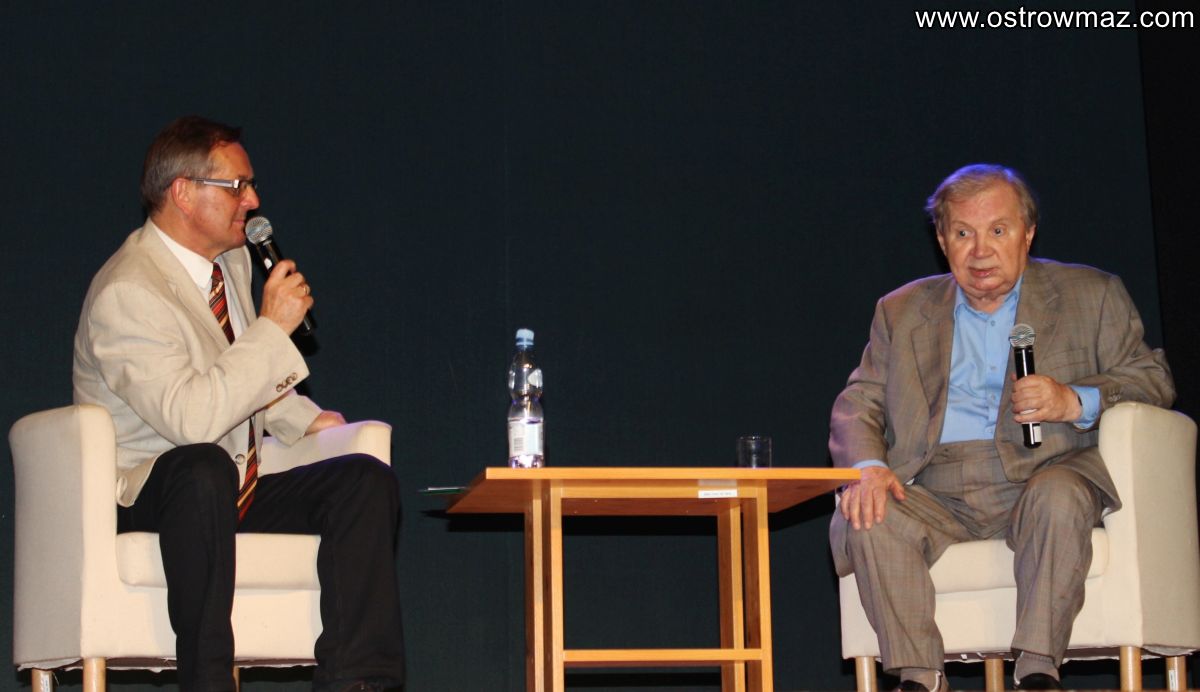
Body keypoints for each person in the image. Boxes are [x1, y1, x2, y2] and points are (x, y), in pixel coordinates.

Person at [73, 116, 405, 692]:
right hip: (151, 494)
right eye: (237, 186)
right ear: (183, 192)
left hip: (229, 488)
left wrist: (310, 421)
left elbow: (242, 375)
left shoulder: (229, 264)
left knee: (363, 480)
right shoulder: (128, 291)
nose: (252, 200)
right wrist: (273, 329)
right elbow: (192, 419)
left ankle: (358, 681)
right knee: (201, 466)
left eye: (250, 186)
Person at [828, 164, 1174, 691]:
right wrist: (870, 467)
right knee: (867, 516)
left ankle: (1037, 669)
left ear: (1027, 233)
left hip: (1045, 469)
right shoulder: (901, 311)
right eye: (963, 233)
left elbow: (1153, 380)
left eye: (997, 230)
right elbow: (859, 401)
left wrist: (1073, 399)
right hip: (936, 486)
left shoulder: (1092, 293)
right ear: (942, 240)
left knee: (1058, 497)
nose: (980, 251)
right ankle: (920, 677)